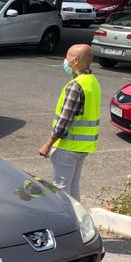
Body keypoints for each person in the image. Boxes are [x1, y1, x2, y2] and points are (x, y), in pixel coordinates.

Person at [38, 43, 101, 201]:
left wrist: (48, 144)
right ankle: (81, 224)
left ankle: (68, 224)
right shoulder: (92, 82)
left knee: (61, 191)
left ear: (76, 61)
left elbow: (64, 120)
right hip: (82, 147)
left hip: (68, 147)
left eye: (67, 57)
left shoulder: (76, 86)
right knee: (73, 188)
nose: (65, 61)